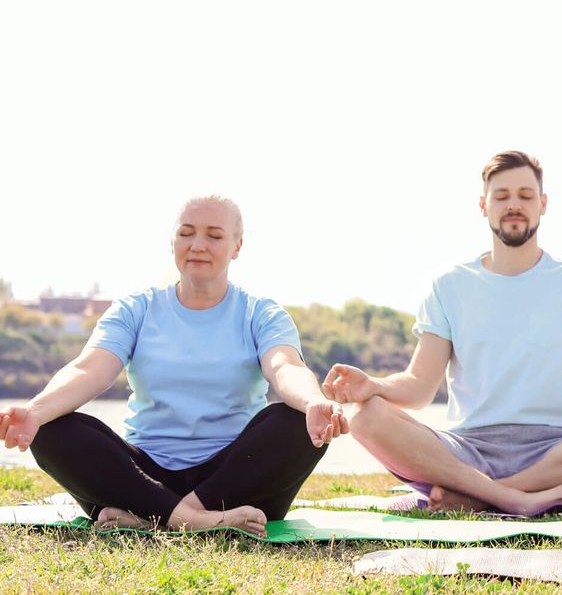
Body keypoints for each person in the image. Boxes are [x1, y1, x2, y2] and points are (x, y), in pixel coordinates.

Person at [323, 150, 562, 516]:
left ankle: (480, 496)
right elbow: (419, 385)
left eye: (525, 195)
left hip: (554, 452)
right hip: (465, 451)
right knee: (366, 416)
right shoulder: (449, 285)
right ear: (483, 205)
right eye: (501, 197)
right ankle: (515, 498)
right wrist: (374, 386)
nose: (514, 205)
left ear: (543, 203)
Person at [0, 196, 344, 536]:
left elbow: (285, 366)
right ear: (172, 240)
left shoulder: (261, 313)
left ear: (237, 246)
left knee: (298, 420)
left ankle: (155, 517)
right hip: (143, 477)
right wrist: (35, 411)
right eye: (186, 233)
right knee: (50, 426)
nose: (197, 245)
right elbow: (89, 369)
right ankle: (194, 521)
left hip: (233, 479)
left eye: (214, 235)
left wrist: (313, 401)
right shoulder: (135, 309)